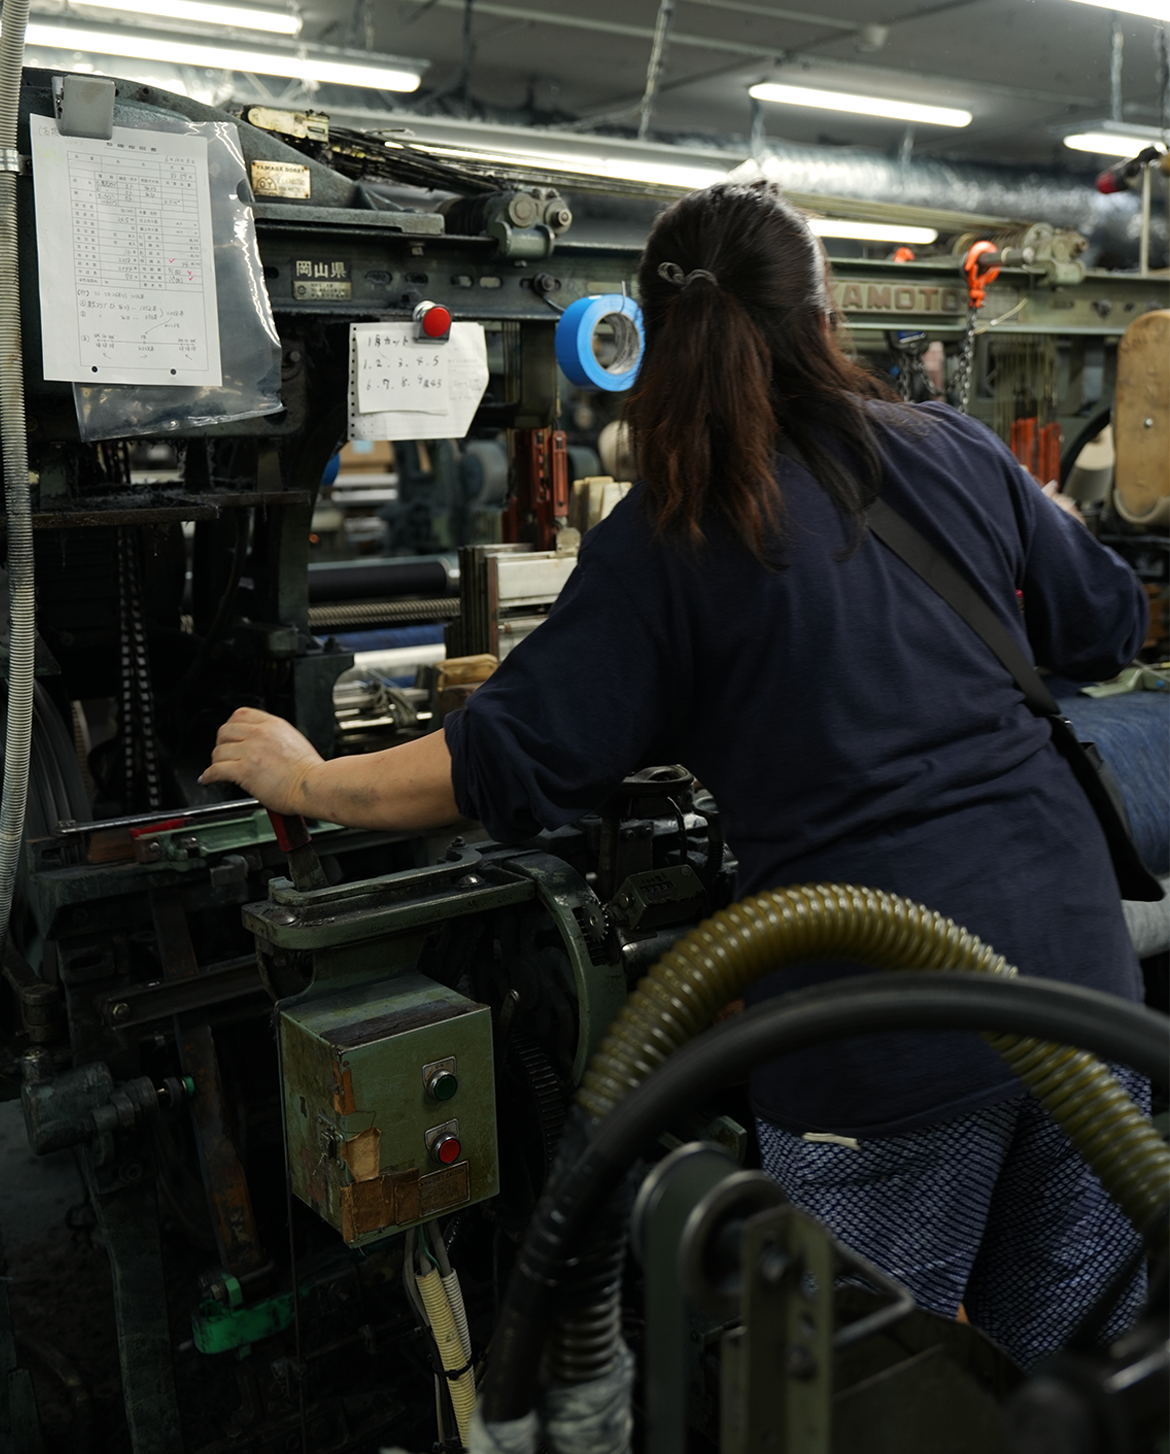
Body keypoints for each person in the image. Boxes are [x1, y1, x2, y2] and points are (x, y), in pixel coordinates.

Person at [203, 182, 1149, 1370]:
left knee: (867, 1394)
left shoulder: (675, 527)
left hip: (884, 1033)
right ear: (823, 317)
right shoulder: (950, 446)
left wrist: (305, 780)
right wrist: (1032, 518)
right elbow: (1106, 623)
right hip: (1080, 988)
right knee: (1081, 1377)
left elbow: (494, 762)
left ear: (653, 338)